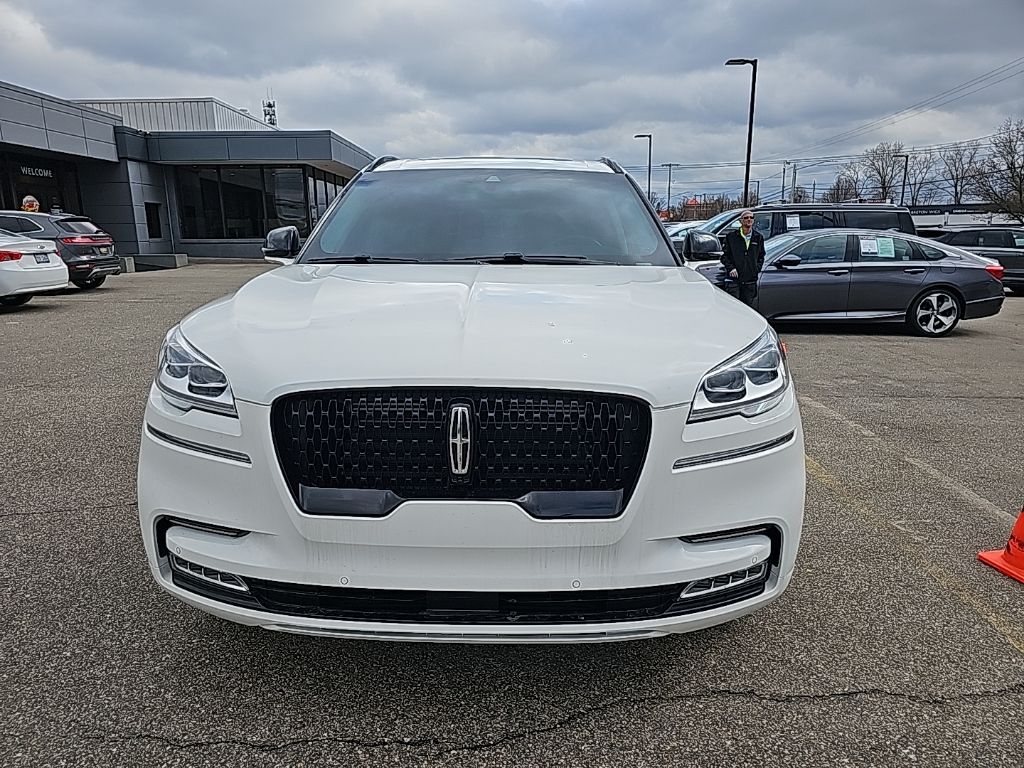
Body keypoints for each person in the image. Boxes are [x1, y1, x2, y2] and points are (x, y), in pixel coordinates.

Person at [721, 210, 766, 309]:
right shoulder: (731, 237)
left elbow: (761, 256)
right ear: (741, 221)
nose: (749, 219)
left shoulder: (758, 237)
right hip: (734, 281)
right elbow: (724, 256)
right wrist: (731, 268)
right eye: (746, 218)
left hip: (750, 281)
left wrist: (756, 269)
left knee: (748, 309)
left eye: (751, 217)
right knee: (734, 308)